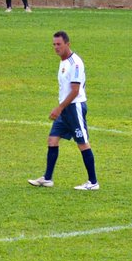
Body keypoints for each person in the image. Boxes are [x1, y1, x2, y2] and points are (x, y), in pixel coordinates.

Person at [29, 31, 99, 191]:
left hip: (74, 108)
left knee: (82, 144)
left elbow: (75, 90)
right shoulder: (63, 61)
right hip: (65, 109)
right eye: (54, 44)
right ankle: (47, 178)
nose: (56, 47)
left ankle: (93, 182)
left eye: (59, 44)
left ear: (68, 44)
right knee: (52, 140)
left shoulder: (75, 63)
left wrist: (59, 108)